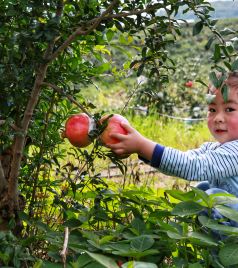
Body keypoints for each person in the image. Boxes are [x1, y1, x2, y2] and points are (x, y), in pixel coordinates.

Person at [107, 71, 238, 231]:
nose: (218, 117)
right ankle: (210, 247)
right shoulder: (212, 148)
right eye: (212, 110)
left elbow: (194, 167)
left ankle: (222, 252)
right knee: (202, 189)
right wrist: (142, 149)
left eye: (230, 109)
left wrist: (142, 146)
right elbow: (183, 161)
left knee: (213, 197)